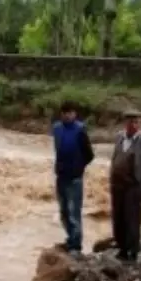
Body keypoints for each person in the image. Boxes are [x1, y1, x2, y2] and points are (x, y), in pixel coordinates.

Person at [109, 109, 141, 262]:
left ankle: (133, 251)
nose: (133, 125)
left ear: (140, 123)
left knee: (133, 220)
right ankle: (122, 248)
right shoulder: (119, 137)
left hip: (134, 186)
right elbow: (114, 158)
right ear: (125, 123)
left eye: (136, 122)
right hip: (117, 185)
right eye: (130, 122)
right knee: (118, 218)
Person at [52, 101, 95, 253]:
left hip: (75, 177)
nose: (67, 115)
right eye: (64, 113)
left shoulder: (80, 130)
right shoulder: (57, 128)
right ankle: (70, 238)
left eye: (70, 113)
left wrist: (78, 168)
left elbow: (89, 155)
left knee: (74, 212)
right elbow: (57, 149)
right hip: (61, 175)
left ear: (75, 114)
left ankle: (76, 245)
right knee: (63, 211)